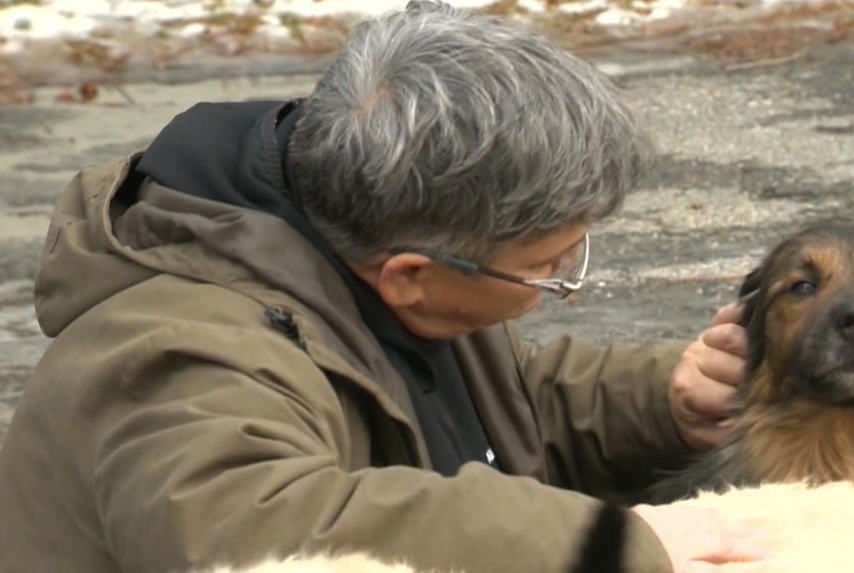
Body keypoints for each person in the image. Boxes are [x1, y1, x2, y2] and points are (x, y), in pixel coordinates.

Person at [0, 3, 769, 573]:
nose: (561, 282)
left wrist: (663, 398)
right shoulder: (176, 357)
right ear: (412, 277)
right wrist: (615, 541)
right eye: (552, 267)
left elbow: (498, 413)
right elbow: (255, 536)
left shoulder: (363, 239)